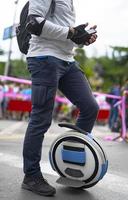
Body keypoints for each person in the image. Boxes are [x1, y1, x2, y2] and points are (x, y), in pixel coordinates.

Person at [22, 0, 99, 196]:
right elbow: (34, 24)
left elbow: (65, 32)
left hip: (67, 60)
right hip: (44, 58)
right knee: (41, 119)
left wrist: (81, 37)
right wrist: (71, 32)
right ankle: (31, 176)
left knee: (90, 107)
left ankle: (75, 164)